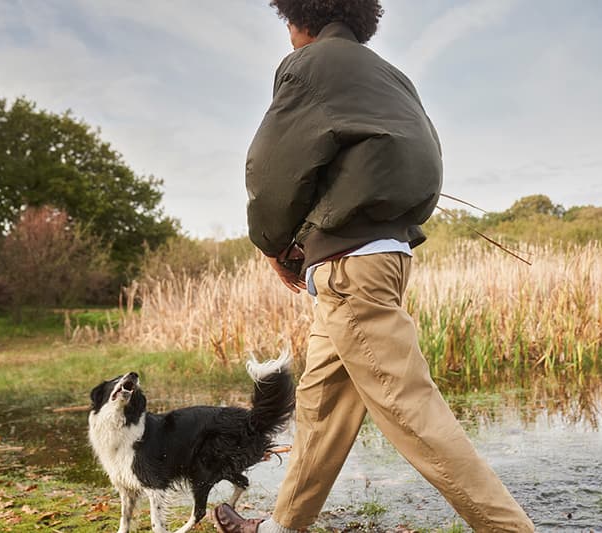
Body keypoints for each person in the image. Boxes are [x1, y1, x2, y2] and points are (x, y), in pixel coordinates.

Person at [213, 1, 536, 532]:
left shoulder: (308, 64)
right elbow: (415, 161)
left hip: (348, 269)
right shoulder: (392, 76)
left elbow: (272, 168)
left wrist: (273, 243)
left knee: (413, 415)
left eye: (288, 27)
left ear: (299, 21)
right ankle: (280, 528)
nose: (289, 37)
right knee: (320, 406)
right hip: (381, 256)